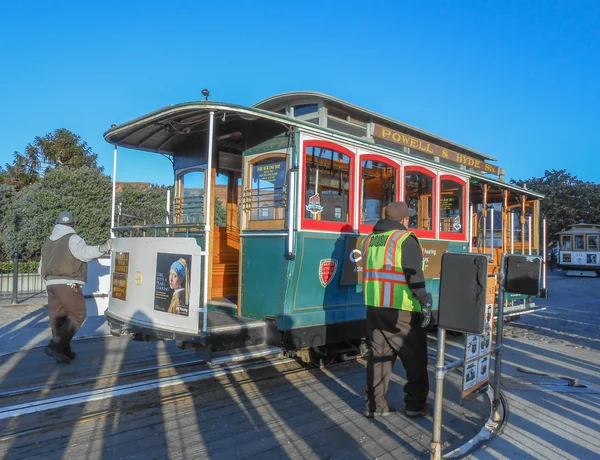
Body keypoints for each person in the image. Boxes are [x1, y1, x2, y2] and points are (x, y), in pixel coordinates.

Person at [362, 201, 432, 418]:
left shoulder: (370, 240)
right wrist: (425, 302)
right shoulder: (405, 239)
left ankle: (375, 405)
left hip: (374, 307)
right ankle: (414, 405)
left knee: (379, 358)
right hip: (401, 308)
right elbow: (414, 276)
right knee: (415, 358)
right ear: (403, 220)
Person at [39, 211, 113, 363]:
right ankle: (55, 346)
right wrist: (104, 247)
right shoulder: (73, 238)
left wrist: (50, 281)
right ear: (71, 224)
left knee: (58, 318)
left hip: (51, 285)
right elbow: (85, 254)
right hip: (68, 282)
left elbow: (40, 268)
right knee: (78, 314)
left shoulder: (48, 242)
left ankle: (65, 351)